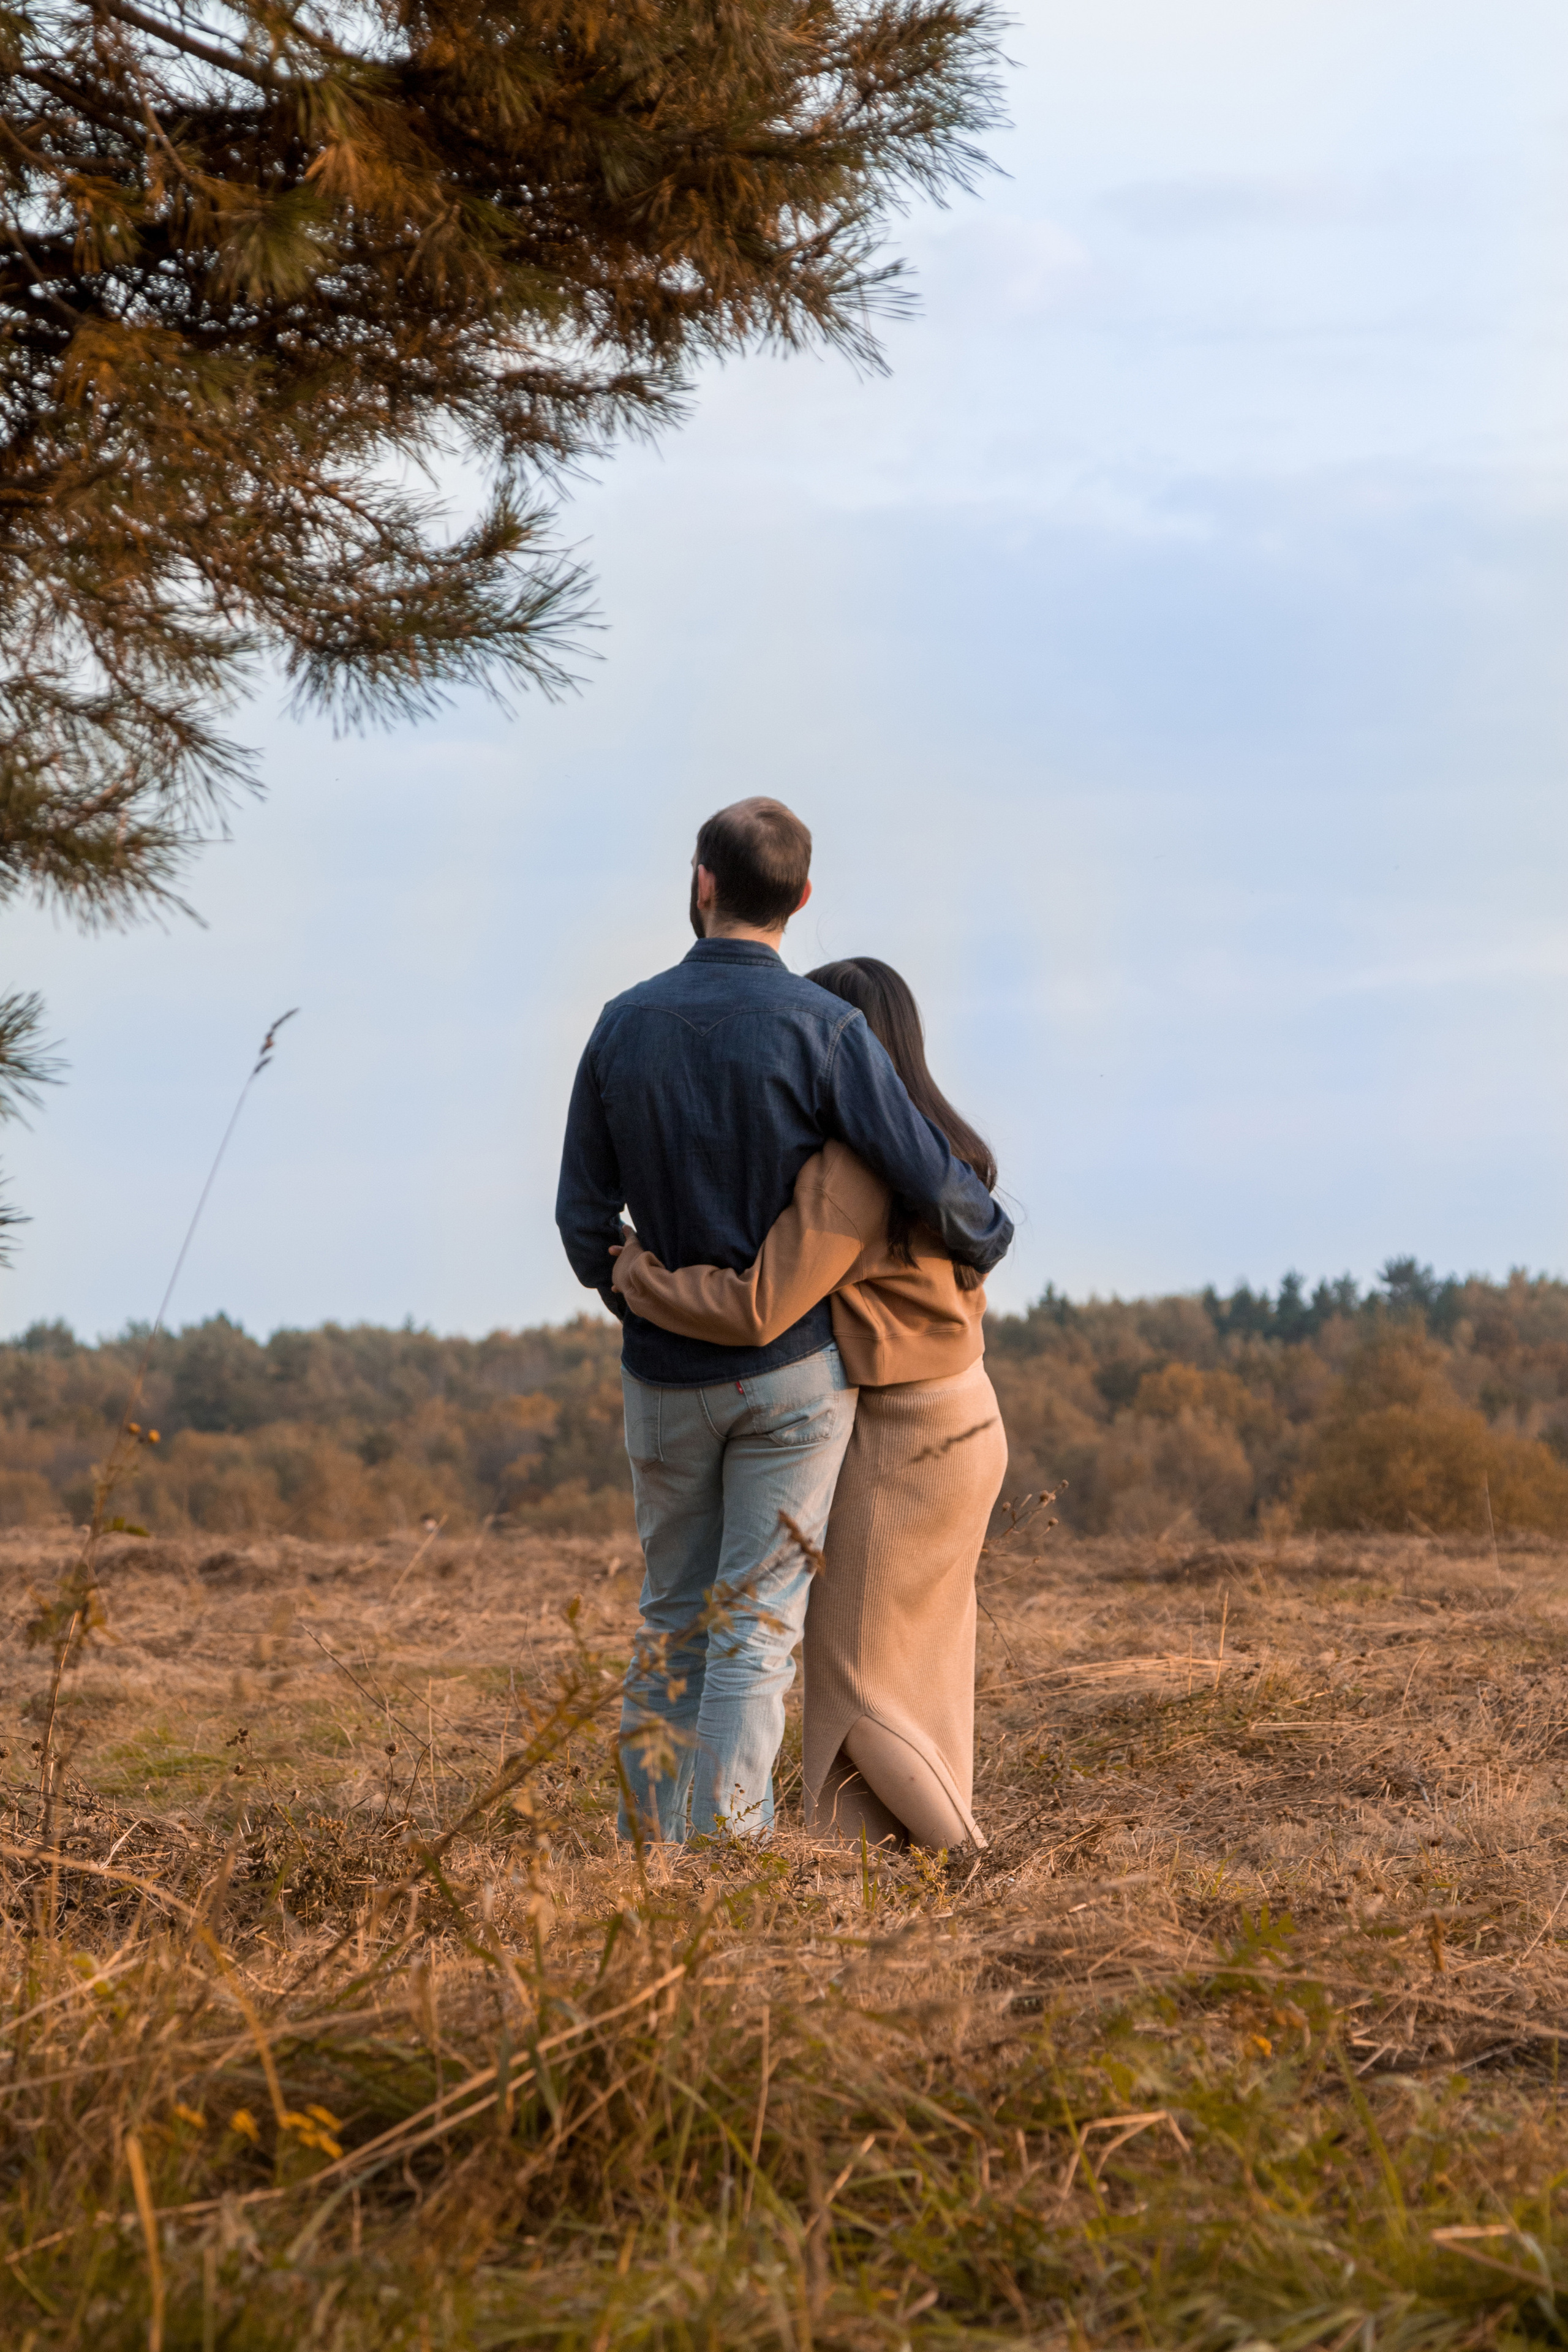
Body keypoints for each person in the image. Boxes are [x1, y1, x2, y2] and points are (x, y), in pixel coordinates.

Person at [555, 803, 1012, 1843]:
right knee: (756, 1630)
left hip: (662, 1375)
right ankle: (729, 1853)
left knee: (671, 1618)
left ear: (702, 883)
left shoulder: (621, 1024)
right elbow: (923, 1169)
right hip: (793, 1379)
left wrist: (630, 1281)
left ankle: (648, 1851)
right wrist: (983, 1234)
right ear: (802, 898)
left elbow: (582, 1222)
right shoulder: (828, 1030)